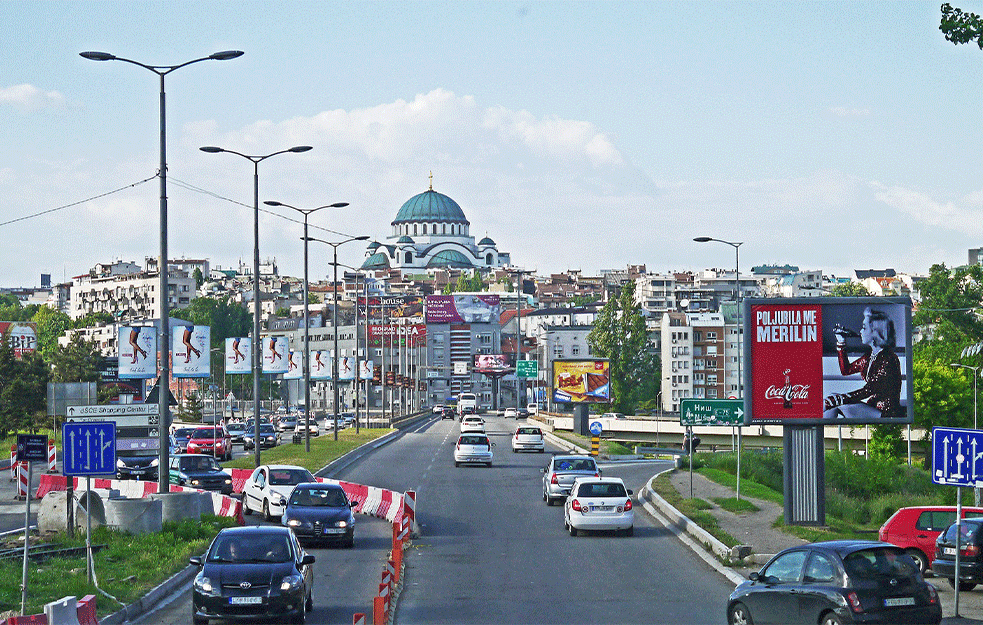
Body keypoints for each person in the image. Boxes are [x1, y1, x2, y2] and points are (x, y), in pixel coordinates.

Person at [823, 307, 903, 419]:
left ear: (876, 332)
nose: (860, 331)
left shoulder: (888, 359)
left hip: (886, 413)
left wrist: (837, 400)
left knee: (837, 405)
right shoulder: (870, 356)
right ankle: (819, 427)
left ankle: (820, 430)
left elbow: (868, 390)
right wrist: (841, 342)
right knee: (832, 397)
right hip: (873, 408)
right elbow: (846, 370)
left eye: (864, 328)